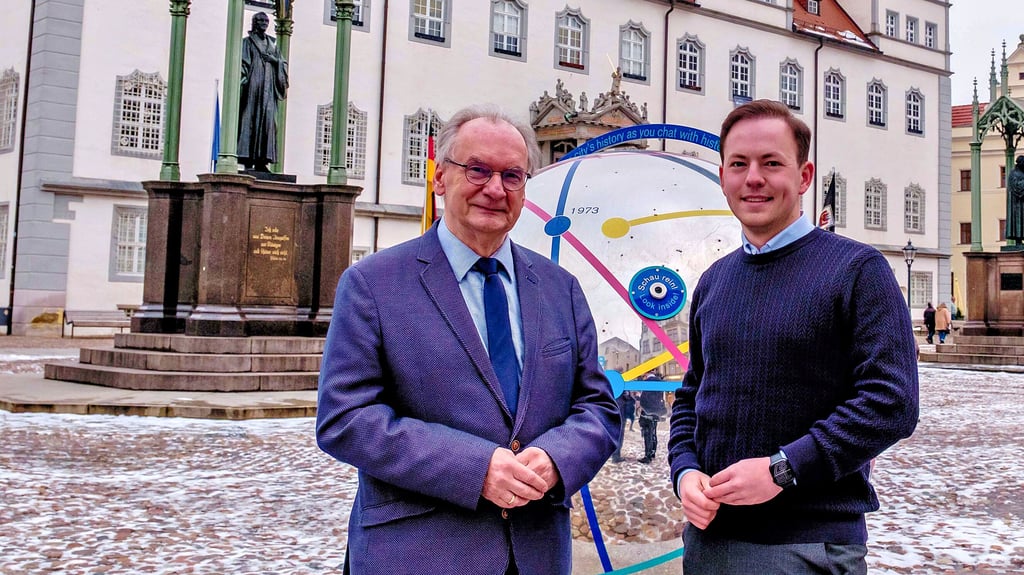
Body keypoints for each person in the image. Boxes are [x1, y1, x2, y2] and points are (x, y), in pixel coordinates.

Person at [315, 104, 620, 575]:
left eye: (512, 176)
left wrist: (557, 459)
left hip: (536, 553)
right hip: (419, 554)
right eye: (478, 170)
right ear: (440, 178)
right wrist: (476, 468)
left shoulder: (561, 288)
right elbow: (346, 417)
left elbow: (597, 408)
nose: (495, 189)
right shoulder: (373, 284)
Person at [667, 99, 919, 575]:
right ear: (723, 176)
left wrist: (785, 469)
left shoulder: (858, 271)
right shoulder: (714, 281)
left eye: (771, 163)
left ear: (804, 177)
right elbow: (691, 396)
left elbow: (892, 402)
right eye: (739, 164)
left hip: (806, 547)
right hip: (708, 543)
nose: (753, 178)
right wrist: (684, 471)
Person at [238, 11, 288, 172]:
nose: (264, 23)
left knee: (268, 121)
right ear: (254, 23)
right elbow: (243, 65)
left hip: (268, 89)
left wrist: (275, 61)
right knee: (250, 119)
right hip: (253, 88)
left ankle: (263, 161)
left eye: (266, 21)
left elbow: (283, 63)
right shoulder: (247, 43)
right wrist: (242, 84)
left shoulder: (273, 43)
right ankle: (248, 160)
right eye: (260, 21)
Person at [637, 372, 668, 464]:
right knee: (653, 432)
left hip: (647, 412)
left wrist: (640, 401)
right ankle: (653, 452)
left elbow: (644, 399)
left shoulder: (646, 382)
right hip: (656, 412)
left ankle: (648, 456)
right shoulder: (660, 381)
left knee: (647, 434)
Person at [1007, 155, 1024, 241]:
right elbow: (1016, 187)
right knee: (1018, 220)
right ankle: (1018, 240)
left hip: (1022, 202)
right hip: (1017, 203)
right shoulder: (1014, 174)